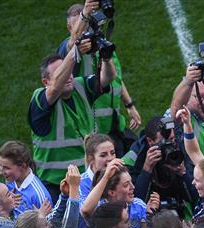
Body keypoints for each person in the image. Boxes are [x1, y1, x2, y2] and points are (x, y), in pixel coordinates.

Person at [28, 22, 116, 201]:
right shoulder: (40, 98)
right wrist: (74, 51)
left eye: (69, 70)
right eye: (62, 72)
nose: (69, 76)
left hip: (87, 178)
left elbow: (107, 78)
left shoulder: (80, 85)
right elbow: (54, 90)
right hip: (56, 185)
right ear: (46, 82)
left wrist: (106, 58)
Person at [57, 2, 141, 157]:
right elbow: (73, 42)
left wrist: (129, 105)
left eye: (87, 25)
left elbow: (115, 78)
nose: (84, 31)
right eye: (80, 26)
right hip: (94, 131)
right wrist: (86, 13)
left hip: (114, 123)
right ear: (70, 28)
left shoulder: (102, 44)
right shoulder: (70, 51)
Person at [122, 116, 197, 220]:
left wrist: (183, 173)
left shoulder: (180, 148)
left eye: (172, 140)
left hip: (179, 215)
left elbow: (196, 197)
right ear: (150, 141)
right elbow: (134, 202)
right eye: (164, 142)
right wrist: (146, 171)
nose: (170, 145)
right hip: (147, 217)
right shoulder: (136, 157)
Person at [0, 140, 52, 218]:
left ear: (23, 166)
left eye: (6, 168)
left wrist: (39, 218)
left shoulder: (39, 196)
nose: (1, 172)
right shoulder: (11, 182)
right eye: (0, 165)